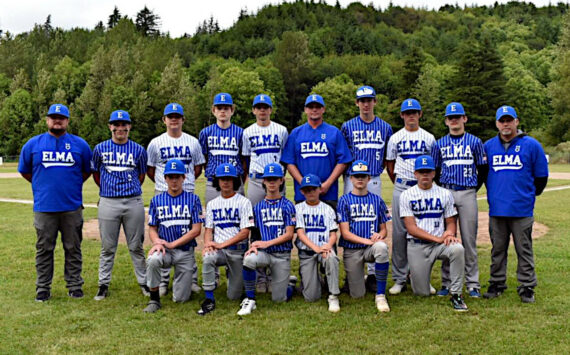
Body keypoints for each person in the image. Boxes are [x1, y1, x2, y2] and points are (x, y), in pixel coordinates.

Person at [18, 103, 92, 302]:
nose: (57, 120)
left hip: (71, 207)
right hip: (45, 207)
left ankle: (74, 285)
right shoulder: (33, 144)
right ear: (47, 120)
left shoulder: (80, 145)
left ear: (67, 121)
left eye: (61, 117)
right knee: (44, 249)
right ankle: (43, 288)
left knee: (73, 248)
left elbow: (85, 171)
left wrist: (70, 186)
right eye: (53, 117)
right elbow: (25, 171)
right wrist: (43, 186)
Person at [483, 106, 548, 303]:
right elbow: (483, 175)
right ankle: (497, 283)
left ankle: (527, 286)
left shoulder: (531, 145)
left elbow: (541, 177)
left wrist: (527, 195)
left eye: (509, 120)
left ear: (516, 122)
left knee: (524, 249)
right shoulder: (488, 146)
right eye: (502, 121)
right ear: (496, 123)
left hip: (521, 209)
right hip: (497, 209)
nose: (505, 124)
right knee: (497, 250)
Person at [147, 103, 205, 296]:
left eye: (177, 116)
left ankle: (191, 279)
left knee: (188, 236)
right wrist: (166, 184)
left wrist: (184, 182)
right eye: (170, 116)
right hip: (162, 193)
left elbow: (197, 167)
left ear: (182, 120)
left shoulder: (192, 142)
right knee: (164, 232)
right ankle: (162, 281)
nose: (173, 119)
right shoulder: (156, 143)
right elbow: (151, 169)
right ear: (164, 120)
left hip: (187, 191)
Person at [431, 102, 486, 298]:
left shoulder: (475, 142)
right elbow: (435, 171)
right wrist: (444, 191)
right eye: (450, 117)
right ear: (446, 121)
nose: (454, 120)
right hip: (447, 192)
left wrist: (472, 188)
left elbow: (482, 169)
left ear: (465, 119)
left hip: (467, 192)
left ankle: (473, 283)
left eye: (458, 116)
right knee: (448, 238)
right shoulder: (439, 144)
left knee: (469, 240)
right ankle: (447, 282)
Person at [91, 110, 148, 300]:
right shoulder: (100, 148)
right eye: (116, 124)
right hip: (108, 201)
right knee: (108, 247)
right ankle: (103, 284)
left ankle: (144, 283)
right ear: (110, 126)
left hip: (133, 201)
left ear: (129, 126)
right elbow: (97, 174)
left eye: (124, 124)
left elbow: (140, 176)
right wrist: (108, 190)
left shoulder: (139, 150)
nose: (120, 128)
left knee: (136, 246)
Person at [341, 85, 393, 292]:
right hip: (352, 179)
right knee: (351, 221)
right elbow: (344, 155)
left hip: (374, 176)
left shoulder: (385, 127)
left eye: (369, 100)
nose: (365, 104)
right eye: (362, 100)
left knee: (372, 220)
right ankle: (351, 270)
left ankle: (372, 273)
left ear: (375, 102)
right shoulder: (347, 126)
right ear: (356, 103)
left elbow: (389, 157)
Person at [399, 155, 468, 312]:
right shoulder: (406, 195)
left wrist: (450, 233)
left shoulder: (444, 193)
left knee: (457, 249)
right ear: (415, 174)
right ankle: (413, 273)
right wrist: (437, 238)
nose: (425, 175)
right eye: (421, 172)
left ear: (434, 173)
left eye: (428, 171)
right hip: (417, 245)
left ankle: (456, 294)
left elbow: (451, 221)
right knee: (421, 293)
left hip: (440, 245)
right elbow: (411, 228)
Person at [385, 98, 435, 295]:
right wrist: (399, 183)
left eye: (414, 112)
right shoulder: (395, 138)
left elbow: (434, 165)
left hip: (422, 188)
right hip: (403, 185)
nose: (411, 115)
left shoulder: (429, 138)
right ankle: (399, 278)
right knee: (399, 234)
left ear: (420, 114)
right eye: (407, 112)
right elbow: (390, 164)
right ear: (402, 115)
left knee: (422, 232)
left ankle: (420, 276)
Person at [242, 94, 289, 293]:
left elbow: (285, 157)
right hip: (255, 178)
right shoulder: (247, 132)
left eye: (265, 107)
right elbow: (245, 158)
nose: (262, 110)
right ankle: (260, 275)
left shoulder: (281, 130)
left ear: (270, 109)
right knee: (256, 225)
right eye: (258, 107)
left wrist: (280, 178)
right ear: (253, 110)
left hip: (277, 178)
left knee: (277, 222)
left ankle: (276, 270)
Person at [143, 159, 204, 313]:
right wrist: (157, 242)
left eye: (177, 176)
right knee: (153, 259)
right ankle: (154, 299)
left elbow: (196, 229)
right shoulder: (157, 200)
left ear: (184, 177)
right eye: (171, 177)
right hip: (165, 250)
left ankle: (178, 285)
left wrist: (173, 244)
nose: (174, 180)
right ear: (165, 178)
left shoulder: (193, 199)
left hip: (184, 252)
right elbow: (152, 228)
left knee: (181, 299)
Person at [237, 163, 296, 316]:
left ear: (281, 181)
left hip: (282, 255)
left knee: (279, 299)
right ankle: (250, 299)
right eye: (268, 179)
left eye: (275, 179)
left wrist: (266, 243)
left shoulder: (288, 205)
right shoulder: (257, 207)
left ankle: (289, 285)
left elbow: (289, 234)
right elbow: (254, 234)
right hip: (265, 254)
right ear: (263, 181)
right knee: (249, 259)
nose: (271, 182)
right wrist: (253, 246)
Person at [198, 163, 254, 315]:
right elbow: (208, 229)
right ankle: (209, 299)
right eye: (222, 179)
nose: (226, 182)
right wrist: (208, 244)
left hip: (237, 251)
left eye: (229, 179)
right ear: (217, 181)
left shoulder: (244, 202)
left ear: (235, 181)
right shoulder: (212, 204)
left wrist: (221, 244)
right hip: (220, 251)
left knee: (233, 296)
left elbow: (245, 233)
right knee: (208, 257)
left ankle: (235, 279)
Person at [337, 160, 392, 312]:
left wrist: (379, 236)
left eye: (363, 176)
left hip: (371, 248)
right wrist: (368, 240)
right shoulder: (344, 201)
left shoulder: (377, 200)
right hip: (352, 249)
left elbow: (383, 230)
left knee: (381, 247)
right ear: (351, 178)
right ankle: (360, 278)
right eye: (356, 176)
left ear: (369, 178)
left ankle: (380, 294)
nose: (360, 179)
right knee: (357, 294)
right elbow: (345, 233)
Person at [281, 94, 352, 208]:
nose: (314, 109)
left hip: (328, 193)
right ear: (305, 110)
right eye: (310, 107)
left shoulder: (334, 132)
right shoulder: (296, 133)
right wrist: (304, 184)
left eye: (318, 106)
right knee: (302, 226)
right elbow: (289, 162)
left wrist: (328, 184)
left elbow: (343, 160)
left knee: (330, 225)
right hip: (302, 194)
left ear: (323, 109)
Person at [295, 174, 341, 312]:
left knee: (331, 257)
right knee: (311, 297)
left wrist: (328, 245)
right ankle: (312, 278)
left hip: (324, 249)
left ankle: (333, 296)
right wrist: (315, 248)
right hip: (307, 252)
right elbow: (300, 233)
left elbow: (333, 234)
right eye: (307, 190)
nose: (310, 193)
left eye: (313, 189)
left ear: (320, 189)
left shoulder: (327, 209)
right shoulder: (298, 209)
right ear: (302, 191)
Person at [199, 93, 245, 205]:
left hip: (235, 181)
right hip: (213, 181)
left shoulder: (241, 133)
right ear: (213, 110)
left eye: (226, 108)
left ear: (232, 110)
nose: (222, 111)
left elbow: (244, 159)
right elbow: (204, 158)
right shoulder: (205, 133)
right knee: (213, 217)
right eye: (219, 108)